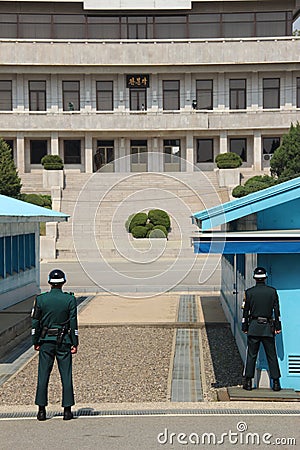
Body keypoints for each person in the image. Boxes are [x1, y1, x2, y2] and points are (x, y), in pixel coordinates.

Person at [31, 269, 79, 421]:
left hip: (45, 341)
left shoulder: (41, 299)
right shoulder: (69, 300)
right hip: (64, 340)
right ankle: (67, 410)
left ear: (50, 283)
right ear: (63, 282)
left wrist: (35, 341)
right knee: (66, 375)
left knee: (43, 374)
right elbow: (73, 323)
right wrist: (74, 342)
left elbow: (35, 322)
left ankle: (41, 410)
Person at [242, 266, 281, 392]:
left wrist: (245, 326)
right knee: (272, 355)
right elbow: (276, 312)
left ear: (255, 278)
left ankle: (248, 382)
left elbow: (246, 312)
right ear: (265, 278)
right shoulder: (272, 292)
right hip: (267, 327)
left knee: (251, 355)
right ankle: (276, 382)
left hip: (254, 326)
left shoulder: (249, 292)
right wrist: (277, 326)